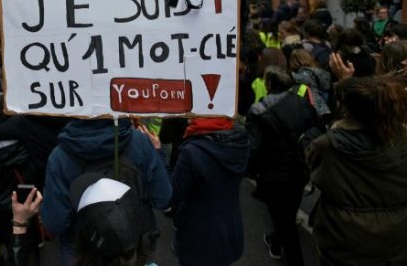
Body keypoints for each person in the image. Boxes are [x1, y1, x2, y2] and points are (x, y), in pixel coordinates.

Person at [41, 118, 171, 265]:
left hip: (82, 250)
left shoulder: (59, 156)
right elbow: (163, 198)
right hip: (133, 246)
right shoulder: (139, 141)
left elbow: (55, 223)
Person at [306, 76, 407, 265]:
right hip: (394, 239)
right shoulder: (401, 139)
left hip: (344, 241)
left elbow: (313, 165)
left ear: (346, 110)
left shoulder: (328, 145)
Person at [246, 66, 316, 266]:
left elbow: (255, 146)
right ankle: (276, 243)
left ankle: (295, 260)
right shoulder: (303, 103)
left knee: (283, 220)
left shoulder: (259, 110)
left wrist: (250, 169)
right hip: (299, 169)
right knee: (288, 213)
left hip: (273, 173)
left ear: (269, 84)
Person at [170, 117, 249, 266]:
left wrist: (159, 153)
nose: (188, 119)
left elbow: (171, 194)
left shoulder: (192, 151)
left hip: (197, 238)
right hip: (229, 232)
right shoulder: (241, 143)